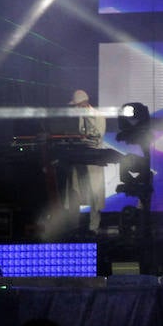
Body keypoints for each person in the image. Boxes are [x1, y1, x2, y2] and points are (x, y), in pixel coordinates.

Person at [67, 89, 106, 233]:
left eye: (77, 105)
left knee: (95, 193)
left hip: (93, 159)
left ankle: (94, 227)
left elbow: (98, 136)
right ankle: (74, 225)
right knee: (75, 191)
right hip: (79, 157)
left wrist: (85, 137)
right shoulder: (77, 117)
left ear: (84, 103)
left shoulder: (98, 116)